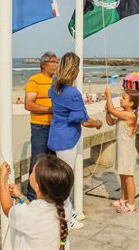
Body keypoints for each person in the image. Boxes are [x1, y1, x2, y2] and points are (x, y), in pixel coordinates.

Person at [47, 52, 103, 229]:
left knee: (61, 179)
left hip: (55, 135)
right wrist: (98, 123)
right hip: (67, 141)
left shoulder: (54, 84)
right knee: (65, 181)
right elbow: (84, 120)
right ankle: (66, 220)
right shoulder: (72, 93)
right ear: (74, 69)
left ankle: (68, 213)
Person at [0, 155, 74, 250]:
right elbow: (36, 212)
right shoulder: (66, 206)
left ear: (37, 186)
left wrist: (3, 178)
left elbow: (7, 208)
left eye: (33, 172)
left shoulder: (29, 214)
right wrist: (20, 196)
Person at [24, 52, 57, 201]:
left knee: (53, 163)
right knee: (37, 163)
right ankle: (31, 198)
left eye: (57, 62)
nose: (56, 65)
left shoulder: (57, 81)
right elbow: (29, 104)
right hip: (40, 127)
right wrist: (50, 110)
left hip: (56, 127)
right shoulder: (34, 81)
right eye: (53, 62)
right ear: (43, 64)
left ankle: (48, 195)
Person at [105, 87, 139, 213]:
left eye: (124, 98)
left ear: (131, 103)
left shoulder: (129, 115)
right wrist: (107, 111)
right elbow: (110, 121)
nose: (121, 99)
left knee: (128, 178)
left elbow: (112, 109)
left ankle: (131, 204)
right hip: (121, 149)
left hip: (127, 151)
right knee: (122, 176)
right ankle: (122, 199)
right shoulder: (122, 112)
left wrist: (108, 96)